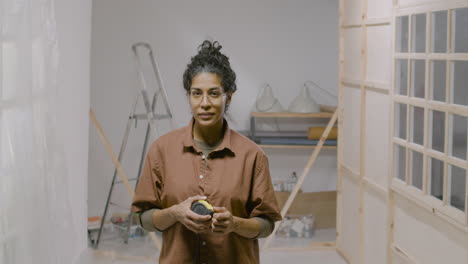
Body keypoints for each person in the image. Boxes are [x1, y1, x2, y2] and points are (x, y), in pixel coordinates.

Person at [132, 40, 282, 264]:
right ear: (188, 96)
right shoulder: (162, 150)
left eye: (213, 93)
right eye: (196, 93)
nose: (204, 103)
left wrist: (235, 224)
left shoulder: (252, 156)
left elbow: (266, 224)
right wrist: (174, 213)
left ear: (228, 97)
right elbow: (143, 218)